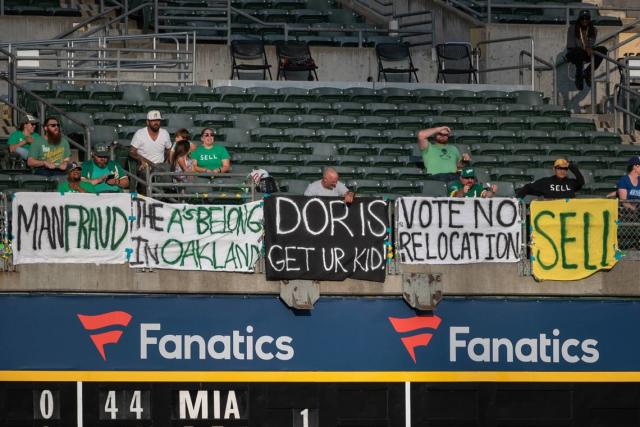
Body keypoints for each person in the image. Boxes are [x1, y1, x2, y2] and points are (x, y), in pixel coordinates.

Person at [566, 10, 608, 91]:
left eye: (587, 18)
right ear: (579, 19)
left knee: (603, 50)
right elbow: (572, 46)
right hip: (574, 53)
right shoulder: (572, 28)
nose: (584, 20)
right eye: (582, 18)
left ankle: (588, 72)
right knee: (578, 51)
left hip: (585, 52)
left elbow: (591, 44)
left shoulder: (593, 30)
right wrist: (587, 48)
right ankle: (579, 76)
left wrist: (588, 48)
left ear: (589, 19)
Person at [516, 159, 584, 199]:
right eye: (559, 169)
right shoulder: (546, 182)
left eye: (565, 169)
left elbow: (581, 181)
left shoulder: (571, 183)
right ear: (554, 169)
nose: (562, 171)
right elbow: (527, 187)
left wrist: (570, 166)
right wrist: (517, 201)